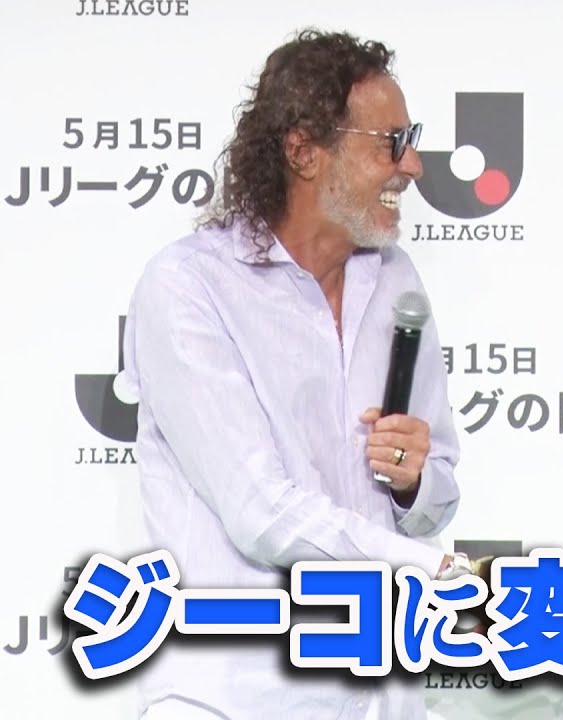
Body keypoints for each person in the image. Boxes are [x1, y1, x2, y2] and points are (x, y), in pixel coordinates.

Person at [121, 29, 474, 719]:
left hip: (380, 695)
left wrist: (412, 484)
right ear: (304, 150)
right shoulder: (188, 287)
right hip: (234, 698)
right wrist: (434, 572)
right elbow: (260, 511)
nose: (414, 166)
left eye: (412, 140)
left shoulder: (397, 280)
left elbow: (437, 498)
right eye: (391, 142)